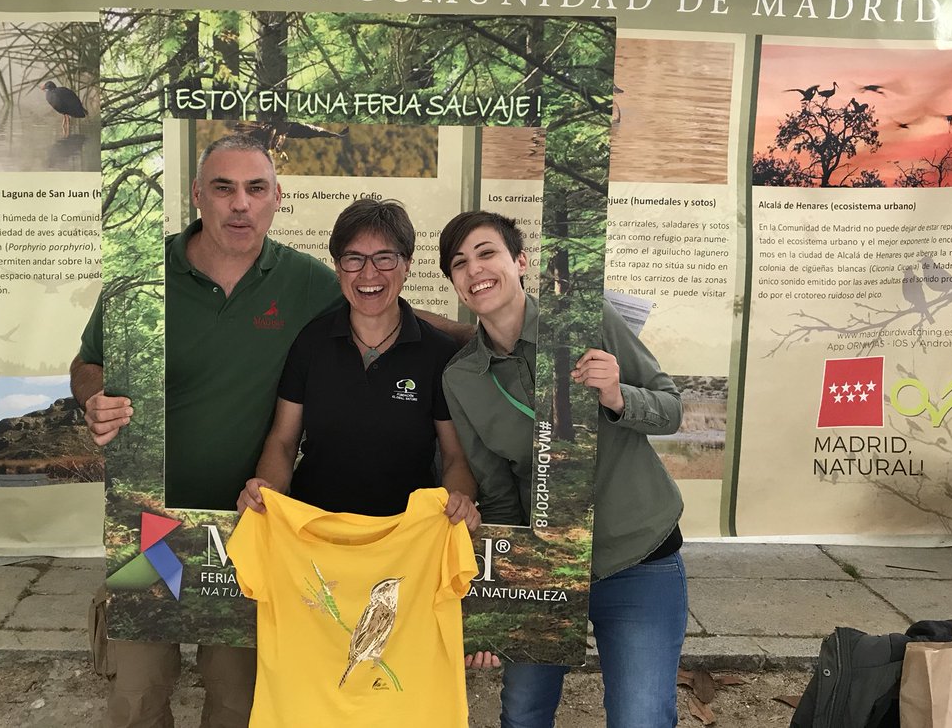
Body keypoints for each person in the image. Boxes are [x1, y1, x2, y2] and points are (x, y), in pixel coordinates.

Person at [71, 133, 342, 728]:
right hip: (150, 523)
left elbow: (387, 313)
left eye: (255, 189)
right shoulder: (141, 277)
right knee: (137, 692)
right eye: (223, 188)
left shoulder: (309, 286)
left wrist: (486, 334)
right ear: (198, 195)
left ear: (277, 199)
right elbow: (87, 363)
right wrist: (95, 399)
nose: (239, 204)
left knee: (239, 696)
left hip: (247, 528)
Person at [438, 210, 686, 728]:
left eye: (487, 253)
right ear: (456, 285)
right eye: (459, 263)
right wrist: (498, 600)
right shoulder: (462, 379)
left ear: (520, 261)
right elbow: (499, 497)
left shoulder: (585, 320)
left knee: (640, 716)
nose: (474, 269)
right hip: (546, 565)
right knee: (523, 712)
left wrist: (618, 394)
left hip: (637, 553)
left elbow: (670, 408)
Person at [237, 198, 479, 530]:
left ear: (407, 264)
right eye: (354, 258)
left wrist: (459, 500)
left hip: (406, 535)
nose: (369, 273)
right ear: (337, 267)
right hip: (315, 530)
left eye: (385, 258)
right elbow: (283, 441)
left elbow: (455, 457)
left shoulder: (437, 352)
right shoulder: (310, 342)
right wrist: (267, 491)